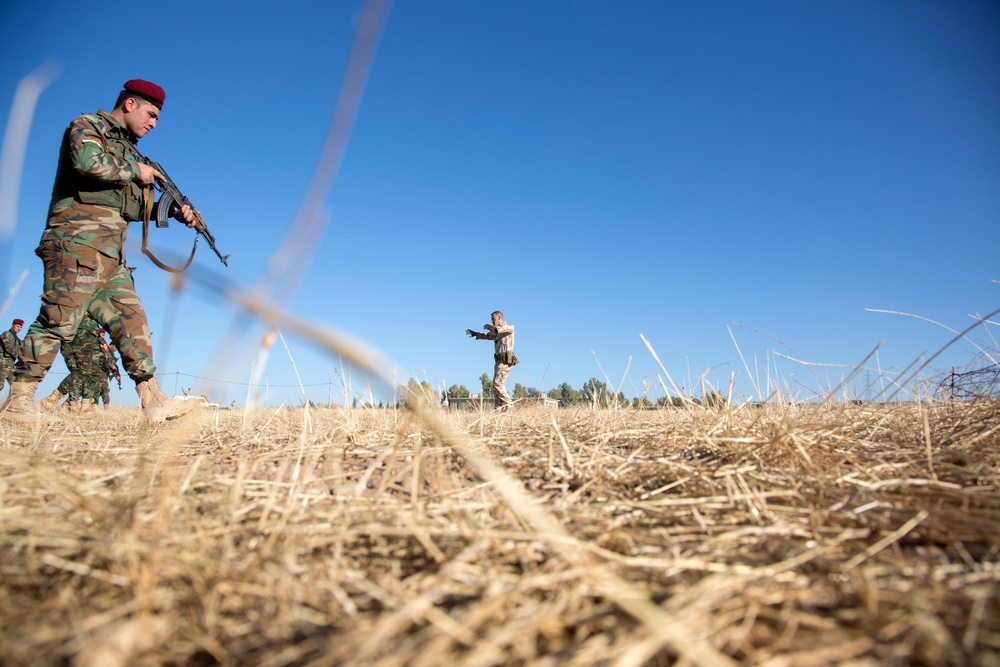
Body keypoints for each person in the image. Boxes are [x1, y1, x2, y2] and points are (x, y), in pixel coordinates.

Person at [1, 79, 200, 423]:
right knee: (59, 320)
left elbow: (130, 206)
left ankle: (153, 401)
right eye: (151, 114)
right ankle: (18, 403)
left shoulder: (130, 151)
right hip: (76, 245)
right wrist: (135, 171)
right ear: (129, 104)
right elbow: (87, 163)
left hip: (111, 257)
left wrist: (171, 212)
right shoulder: (88, 127)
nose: (153, 124)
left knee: (133, 324)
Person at [466, 310, 518, 409]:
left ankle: (510, 405)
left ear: (499, 318)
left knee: (498, 384)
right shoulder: (496, 331)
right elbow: (488, 335)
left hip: (506, 360)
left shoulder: (509, 328)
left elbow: (499, 330)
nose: (492, 321)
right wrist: (476, 334)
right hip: (498, 361)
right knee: (495, 387)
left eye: (493, 319)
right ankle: (498, 407)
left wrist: (492, 328)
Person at [1, 318, 24, 392]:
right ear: (12, 325)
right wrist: (19, 356)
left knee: (16, 385)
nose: (19, 328)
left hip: (10, 366)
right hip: (2, 364)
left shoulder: (18, 340)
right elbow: (9, 348)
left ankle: (13, 403)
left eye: (20, 327)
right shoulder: (6, 334)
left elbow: (21, 349)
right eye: (17, 326)